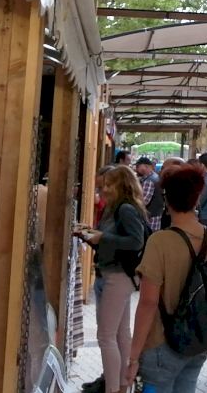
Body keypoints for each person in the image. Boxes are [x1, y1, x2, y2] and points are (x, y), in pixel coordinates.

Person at [125, 164, 207, 393]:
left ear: (167, 200)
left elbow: (148, 303)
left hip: (161, 343)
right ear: (196, 199)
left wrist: (133, 356)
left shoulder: (159, 241)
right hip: (195, 340)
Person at [75, 165, 148, 393]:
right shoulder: (115, 207)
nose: (104, 189)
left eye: (109, 185)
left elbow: (136, 241)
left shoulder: (125, 209)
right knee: (120, 334)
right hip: (113, 274)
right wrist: (90, 235)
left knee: (106, 336)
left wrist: (102, 237)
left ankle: (114, 387)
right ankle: (122, 385)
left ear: (121, 185)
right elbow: (111, 239)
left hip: (117, 276)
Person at [135, 157, 163, 231]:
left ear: (146, 166)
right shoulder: (155, 176)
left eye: (138, 166)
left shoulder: (149, 181)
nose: (136, 169)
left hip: (150, 217)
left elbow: (143, 201)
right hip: (156, 215)